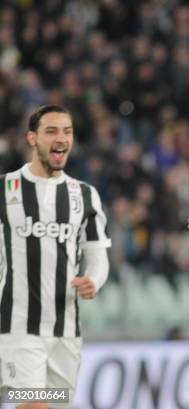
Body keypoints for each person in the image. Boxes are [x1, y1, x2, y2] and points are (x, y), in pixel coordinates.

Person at [0, 105, 111, 409]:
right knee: (34, 404)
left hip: (65, 332)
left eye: (67, 131)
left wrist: (93, 280)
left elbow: (97, 254)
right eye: (51, 131)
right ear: (32, 138)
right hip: (17, 327)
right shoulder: (5, 189)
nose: (61, 138)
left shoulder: (84, 195)